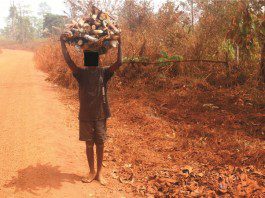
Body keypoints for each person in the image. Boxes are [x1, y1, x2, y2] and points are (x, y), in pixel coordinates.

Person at [60, 34, 122, 185]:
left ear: (97, 59)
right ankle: (91, 171)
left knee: (100, 143)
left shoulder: (104, 73)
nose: (91, 60)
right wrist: (62, 43)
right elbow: (68, 60)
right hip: (86, 115)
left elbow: (119, 62)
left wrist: (120, 42)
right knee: (89, 143)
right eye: (88, 57)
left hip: (101, 114)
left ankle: (99, 173)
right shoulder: (81, 73)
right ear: (86, 59)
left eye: (93, 57)